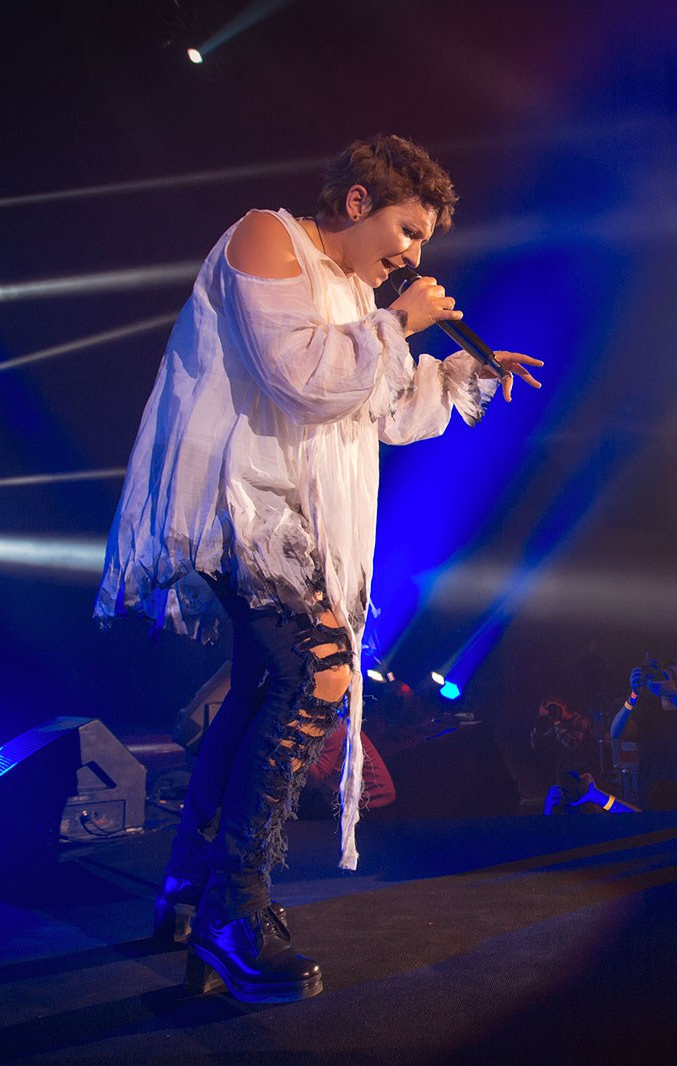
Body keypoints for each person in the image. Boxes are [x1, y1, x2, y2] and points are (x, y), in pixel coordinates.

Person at [95, 134, 542, 1003]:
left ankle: (189, 884)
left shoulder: (354, 294)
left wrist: (463, 372)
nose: (414, 257)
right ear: (357, 202)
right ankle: (233, 914)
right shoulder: (267, 237)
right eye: (407, 231)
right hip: (241, 505)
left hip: (291, 519)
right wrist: (400, 322)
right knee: (321, 674)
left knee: (264, 689)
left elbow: (382, 408)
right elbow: (300, 376)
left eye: (422, 243)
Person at [611, 661, 677, 809]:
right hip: (653, 797)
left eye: (674, 677)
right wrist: (633, 695)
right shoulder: (648, 714)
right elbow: (616, 732)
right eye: (665, 676)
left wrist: (674, 695)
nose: (669, 681)